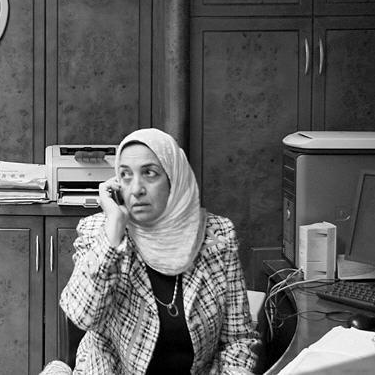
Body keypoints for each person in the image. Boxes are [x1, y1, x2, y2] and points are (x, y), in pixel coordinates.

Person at [42, 128, 258, 374]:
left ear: (174, 180)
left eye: (149, 173)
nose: (136, 189)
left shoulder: (218, 235)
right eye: (125, 175)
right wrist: (114, 230)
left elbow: (237, 339)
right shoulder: (98, 231)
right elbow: (83, 315)